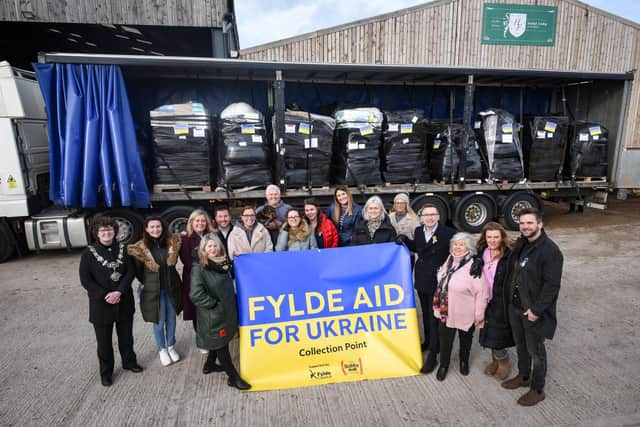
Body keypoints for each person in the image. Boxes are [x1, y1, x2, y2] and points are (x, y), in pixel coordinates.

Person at [501, 207, 563, 407]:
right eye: (522, 223)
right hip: (515, 306)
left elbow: (552, 286)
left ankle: (537, 389)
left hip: (532, 311)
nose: (525, 226)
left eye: (529, 223)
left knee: (536, 351)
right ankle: (524, 375)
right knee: (521, 346)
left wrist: (536, 311)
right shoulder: (522, 244)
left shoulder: (550, 251)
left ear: (540, 224)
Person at [79, 216, 142, 386]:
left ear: (115, 231)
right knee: (104, 342)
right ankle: (106, 372)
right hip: (101, 304)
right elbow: (86, 280)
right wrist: (105, 294)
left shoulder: (124, 249)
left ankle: (129, 362)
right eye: (102, 230)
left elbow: (130, 272)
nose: (106, 232)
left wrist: (119, 291)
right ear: (97, 233)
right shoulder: (88, 253)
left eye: (109, 229)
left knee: (126, 337)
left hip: (123, 300)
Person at [190, 233, 251, 390]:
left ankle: (209, 365)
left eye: (215, 245)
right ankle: (233, 377)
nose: (213, 249)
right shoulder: (200, 268)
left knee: (219, 342)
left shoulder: (224, 264)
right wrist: (215, 306)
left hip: (226, 312)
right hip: (214, 314)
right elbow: (196, 295)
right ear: (203, 249)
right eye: (209, 246)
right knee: (221, 344)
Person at [401, 203, 455, 374]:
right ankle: (429, 342)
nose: (430, 218)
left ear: (439, 216)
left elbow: (460, 251)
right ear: (421, 217)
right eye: (426, 215)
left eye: (433, 214)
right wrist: (405, 240)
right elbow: (419, 248)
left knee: (435, 317)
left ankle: (433, 354)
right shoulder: (418, 231)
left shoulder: (448, 233)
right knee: (425, 313)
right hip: (422, 278)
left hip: (438, 281)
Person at [432, 232, 488, 381]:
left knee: (466, 340)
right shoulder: (449, 261)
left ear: (468, 247)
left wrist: (479, 314)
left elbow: (482, 293)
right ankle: (444, 365)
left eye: (462, 244)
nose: (457, 247)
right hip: (446, 311)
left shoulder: (474, 267)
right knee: (445, 340)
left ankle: (464, 361)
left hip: (466, 313)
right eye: (455, 244)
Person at [128, 216, 183, 367]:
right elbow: (139, 272)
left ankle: (171, 346)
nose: (155, 230)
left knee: (171, 319)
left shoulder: (171, 243)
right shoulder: (141, 248)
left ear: (162, 227)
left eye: (158, 226)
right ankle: (162, 349)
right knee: (158, 322)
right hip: (154, 291)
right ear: (146, 229)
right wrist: (149, 283)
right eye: (152, 227)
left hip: (172, 287)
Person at [476, 222, 515, 381]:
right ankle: (494, 361)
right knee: (487, 331)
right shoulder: (482, 252)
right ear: (485, 238)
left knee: (499, 334)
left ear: (502, 237)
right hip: (484, 299)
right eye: (489, 237)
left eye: (496, 237)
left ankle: (503, 362)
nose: (492, 240)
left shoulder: (509, 254)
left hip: (501, 300)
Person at [179, 209, 214, 337]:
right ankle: (201, 338)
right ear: (191, 222)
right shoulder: (184, 239)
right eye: (197, 221)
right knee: (196, 310)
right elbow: (187, 261)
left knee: (211, 307)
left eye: (203, 220)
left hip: (212, 277)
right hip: (193, 278)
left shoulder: (211, 235)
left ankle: (212, 335)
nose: (200, 223)